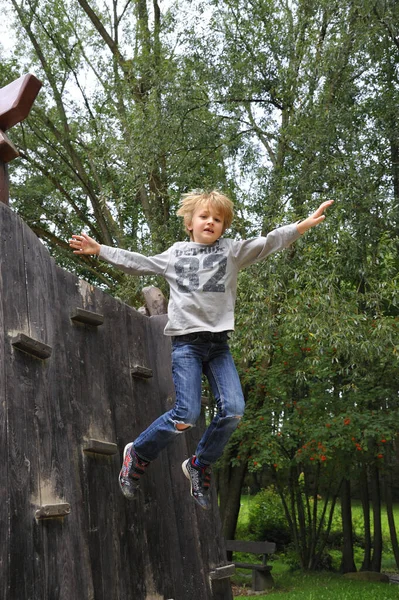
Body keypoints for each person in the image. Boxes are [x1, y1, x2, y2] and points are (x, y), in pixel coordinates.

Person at [69, 190, 333, 509]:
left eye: (217, 219)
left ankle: (199, 464)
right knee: (186, 415)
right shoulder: (177, 254)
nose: (211, 221)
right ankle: (137, 453)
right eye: (204, 216)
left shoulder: (232, 252)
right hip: (187, 345)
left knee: (233, 410)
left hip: (218, 346)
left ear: (223, 226)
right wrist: (100, 250)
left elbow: (269, 241)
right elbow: (140, 263)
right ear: (190, 223)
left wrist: (302, 225)